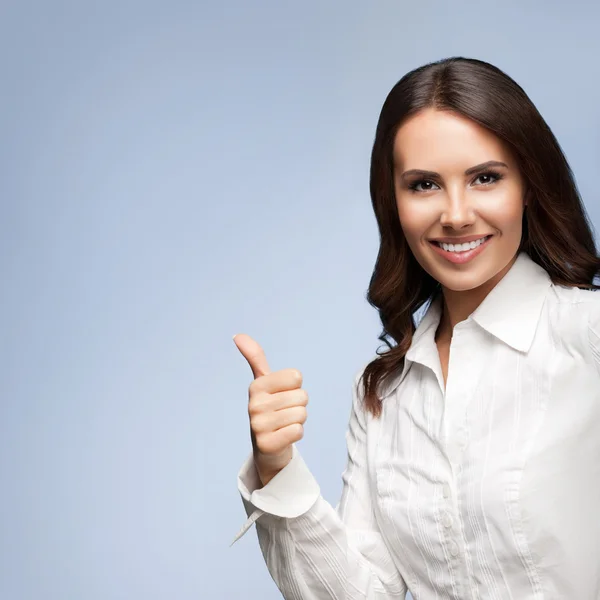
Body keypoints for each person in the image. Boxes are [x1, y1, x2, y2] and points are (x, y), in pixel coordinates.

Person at [230, 56, 600, 599]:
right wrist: (276, 467)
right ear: (394, 203)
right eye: (424, 184)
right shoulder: (383, 391)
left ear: (529, 185)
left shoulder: (587, 337)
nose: (455, 214)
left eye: (486, 178)